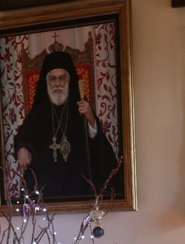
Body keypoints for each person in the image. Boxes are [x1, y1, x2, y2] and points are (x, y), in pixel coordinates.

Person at [13, 49, 120, 199]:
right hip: (45, 186)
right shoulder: (38, 112)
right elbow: (23, 137)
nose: (57, 84)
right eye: (53, 79)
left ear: (68, 81)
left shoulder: (81, 107)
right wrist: (22, 148)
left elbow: (97, 143)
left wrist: (90, 117)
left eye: (61, 78)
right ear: (47, 82)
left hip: (78, 183)